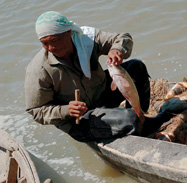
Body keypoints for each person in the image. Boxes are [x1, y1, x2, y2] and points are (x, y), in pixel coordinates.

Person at [25, 11, 159, 142]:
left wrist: (116, 50)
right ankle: (132, 122)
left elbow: (122, 37)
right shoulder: (39, 70)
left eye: (54, 40)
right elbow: (36, 111)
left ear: (68, 33)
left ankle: (139, 116)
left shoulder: (86, 39)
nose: (51, 47)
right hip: (80, 120)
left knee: (136, 67)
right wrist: (66, 110)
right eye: (44, 43)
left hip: (100, 94)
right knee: (130, 120)